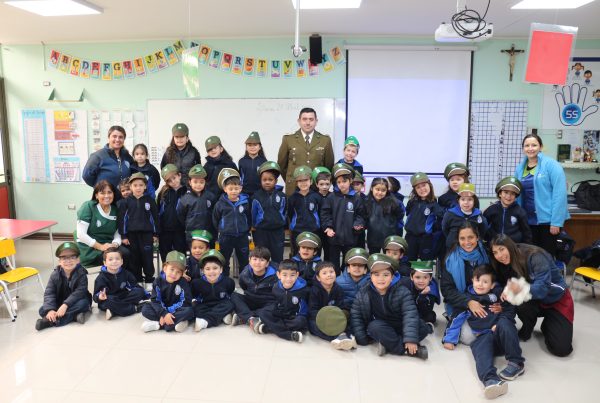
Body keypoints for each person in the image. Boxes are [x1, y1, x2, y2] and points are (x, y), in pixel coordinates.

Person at [442, 264, 525, 400]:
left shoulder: (499, 294)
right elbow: (456, 319)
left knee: (505, 324)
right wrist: (449, 339)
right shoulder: (467, 298)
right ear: (472, 280)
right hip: (483, 336)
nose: (480, 284)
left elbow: (510, 310)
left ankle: (516, 362)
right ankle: (491, 381)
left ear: (492, 285)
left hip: (501, 336)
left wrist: (499, 319)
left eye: (485, 282)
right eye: (477, 280)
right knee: (481, 352)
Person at [490, 234, 573, 357]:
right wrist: (502, 297)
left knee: (561, 350)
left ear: (510, 245)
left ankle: (548, 324)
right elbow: (500, 284)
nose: (499, 256)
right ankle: (528, 327)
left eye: (502, 249)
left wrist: (520, 288)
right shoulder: (502, 263)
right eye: (495, 252)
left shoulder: (535, 256)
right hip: (534, 301)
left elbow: (543, 288)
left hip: (556, 300)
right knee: (520, 303)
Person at [351, 253, 429, 359]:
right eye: (376, 275)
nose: (381, 279)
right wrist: (362, 338)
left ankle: (388, 345)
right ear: (370, 277)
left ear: (392, 277)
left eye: (386, 275)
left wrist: (410, 339)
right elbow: (356, 315)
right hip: (383, 326)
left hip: (401, 324)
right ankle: (407, 350)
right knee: (374, 327)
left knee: (423, 327)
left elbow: (410, 314)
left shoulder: (402, 291)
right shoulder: (364, 293)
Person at [515, 133, 569, 257]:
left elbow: (559, 194)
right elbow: (516, 192)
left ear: (541, 147)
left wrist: (556, 222)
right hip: (527, 221)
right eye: (527, 145)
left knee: (546, 257)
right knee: (530, 256)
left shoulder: (551, 165)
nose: (530, 148)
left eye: (534, 145)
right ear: (523, 148)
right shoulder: (520, 168)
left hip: (547, 222)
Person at [277, 107, 335, 196]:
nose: (308, 123)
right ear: (299, 121)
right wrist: (292, 179)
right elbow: (281, 165)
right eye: (304, 119)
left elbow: (329, 166)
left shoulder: (325, 140)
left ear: (316, 121)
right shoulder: (288, 139)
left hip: (316, 188)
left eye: (311, 119)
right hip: (294, 187)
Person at [320, 163, 366, 273]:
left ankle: (346, 278)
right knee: (333, 264)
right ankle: (335, 279)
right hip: (334, 238)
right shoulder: (331, 197)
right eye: (339, 182)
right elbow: (325, 214)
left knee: (348, 264)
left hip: (350, 238)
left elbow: (361, 215)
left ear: (350, 181)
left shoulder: (357, 199)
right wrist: (328, 227)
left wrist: (358, 224)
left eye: (344, 181)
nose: (341, 184)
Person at [35, 243, 92, 331]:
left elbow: (79, 292)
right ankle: (74, 316)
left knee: (83, 304)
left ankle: (51, 322)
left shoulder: (82, 273)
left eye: (72, 257)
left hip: (76, 301)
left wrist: (65, 305)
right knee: (43, 309)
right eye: (64, 258)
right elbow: (49, 293)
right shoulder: (55, 275)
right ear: (59, 262)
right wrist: (50, 310)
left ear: (78, 260)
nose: (68, 261)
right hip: (61, 302)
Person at [250, 259, 309, 343]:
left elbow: (304, 310)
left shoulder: (303, 290)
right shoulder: (276, 287)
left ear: (297, 275)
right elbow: (274, 303)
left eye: (292, 275)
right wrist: (275, 312)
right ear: (278, 275)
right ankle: (288, 333)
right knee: (263, 313)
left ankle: (269, 328)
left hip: (294, 316)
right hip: (280, 314)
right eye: (284, 275)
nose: (288, 279)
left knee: (300, 322)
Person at [117, 173, 159, 289]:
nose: (138, 188)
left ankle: (149, 280)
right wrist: (124, 236)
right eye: (135, 185)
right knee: (134, 259)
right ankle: (138, 280)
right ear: (131, 187)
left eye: (141, 185)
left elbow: (155, 218)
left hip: (147, 235)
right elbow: (122, 220)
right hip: (131, 236)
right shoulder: (125, 202)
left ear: (145, 186)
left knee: (147, 258)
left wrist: (155, 234)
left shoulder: (150, 200)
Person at [441, 222, 490, 320]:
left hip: (482, 299)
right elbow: (447, 289)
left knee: (489, 323)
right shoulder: (450, 259)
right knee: (465, 329)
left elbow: (494, 282)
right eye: (462, 238)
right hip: (458, 302)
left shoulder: (486, 255)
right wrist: (468, 302)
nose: (467, 242)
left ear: (477, 237)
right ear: (458, 240)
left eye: (470, 237)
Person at [75, 180, 128, 268]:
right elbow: (81, 235)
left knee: (126, 253)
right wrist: (101, 247)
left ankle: (122, 276)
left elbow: (117, 233)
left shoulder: (116, 210)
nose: (106, 196)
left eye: (109, 192)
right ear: (96, 195)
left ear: (113, 194)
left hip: (108, 246)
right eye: (102, 193)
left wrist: (115, 245)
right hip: (90, 248)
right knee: (113, 259)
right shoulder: (88, 206)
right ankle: (108, 276)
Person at [140, 250, 194, 333]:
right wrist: (164, 313)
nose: (174, 274)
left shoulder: (183, 282)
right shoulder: (158, 281)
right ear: (165, 268)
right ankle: (175, 322)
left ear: (182, 274)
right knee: (145, 309)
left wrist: (168, 312)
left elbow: (186, 301)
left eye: (178, 272)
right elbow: (155, 301)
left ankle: (159, 325)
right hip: (162, 309)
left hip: (177, 309)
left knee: (189, 311)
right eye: (172, 269)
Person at [308, 261, 356, 350]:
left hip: (334, 318)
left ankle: (347, 337)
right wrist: (325, 317)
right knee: (312, 326)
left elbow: (341, 306)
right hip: (321, 319)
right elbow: (312, 310)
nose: (329, 275)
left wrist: (339, 316)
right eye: (324, 273)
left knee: (348, 322)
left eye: (331, 272)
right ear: (318, 278)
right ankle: (337, 338)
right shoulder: (314, 290)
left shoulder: (338, 289)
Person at [212, 168, 251, 277]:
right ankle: (225, 279)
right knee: (224, 260)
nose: (234, 191)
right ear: (225, 189)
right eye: (231, 189)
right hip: (226, 237)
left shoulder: (245, 203)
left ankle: (244, 279)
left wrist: (245, 229)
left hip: (242, 236)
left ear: (240, 188)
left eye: (236, 188)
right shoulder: (220, 204)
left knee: (244, 260)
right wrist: (221, 229)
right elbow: (215, 219)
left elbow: (249, 217)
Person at [93, 247, 147, 320]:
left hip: (123, 295)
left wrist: (144, 294)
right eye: (110, 259)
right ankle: (135, 308)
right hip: (109, 298)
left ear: (122, 261)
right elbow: (95, 297)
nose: (114, 261)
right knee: (107, 301)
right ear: (105, 263)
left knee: (140, 291)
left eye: (117, 259)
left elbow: (135, 286)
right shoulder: (100, 278)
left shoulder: (126, 273)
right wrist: (99, 296)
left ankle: (114, 311)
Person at [231, 246, 278, 326]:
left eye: (262, 260)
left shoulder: (275, 275)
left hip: (267, 302)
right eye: (255, 259)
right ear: (249, 261)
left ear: (267, 263)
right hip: (251, 299)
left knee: (276, 306)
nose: (257, 262)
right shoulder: (245, 273)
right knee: (233, 296)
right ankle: (252, 318)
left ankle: (245, 317)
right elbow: (243, 286)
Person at [251, 161, 287, 264]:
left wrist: (284, 226)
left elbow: (285, 212)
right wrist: (253, 226)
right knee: (261, 257)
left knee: (278, 257)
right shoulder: (256, 196)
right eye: (264, 180)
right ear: (260, 180)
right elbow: (253, 213)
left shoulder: (282, 196)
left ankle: (277, 273)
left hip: (277, 232)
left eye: (270, 180)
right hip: (261, 232)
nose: (267, 182)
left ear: (276, 181)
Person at [191, 250, 236, 331]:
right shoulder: (196, 283)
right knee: (194, 308)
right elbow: (194, 296)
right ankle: (222, 316)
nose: (211, 271)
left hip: (221, 304)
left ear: (221, 269)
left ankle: (205, 322)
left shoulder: (228, 281)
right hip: (204, 305)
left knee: (230, 304)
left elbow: (230, 292)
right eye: (207, 269)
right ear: (203, 271)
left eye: (215, 268)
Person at [404, 172, 443, 261]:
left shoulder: (434, 204)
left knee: (425, 263)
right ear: (415, 190)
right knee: (408, 261)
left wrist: (433, 229)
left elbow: (442, 217)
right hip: (410, 237)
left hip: (425, 239)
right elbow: (408, 214)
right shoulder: (411, 202)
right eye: (418, 187)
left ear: (429, 185)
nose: (422, 189)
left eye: (424, 185)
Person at [83, 125, 133, 192]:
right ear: (109, 137)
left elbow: (134, 171)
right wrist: (99, 188)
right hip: (106, 196)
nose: (117, 139)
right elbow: (86, 176)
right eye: (114, 136)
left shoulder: (127, 156)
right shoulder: (97, 156)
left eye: (121, 137)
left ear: (124, 139)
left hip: (124, 196)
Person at [484, 177, 532, 244]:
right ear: (500, 194)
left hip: (514, 247)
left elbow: (526, 233)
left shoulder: (520, 212)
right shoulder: (491, 210)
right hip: (494, 246)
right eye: (506, 192)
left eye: (512, 193)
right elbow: (483, 227)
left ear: (515, 196)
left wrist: (524, 248)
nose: (509, 196)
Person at [177, 165, 216, 246]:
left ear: (205, 182)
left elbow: (215, 214)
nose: (198, 185)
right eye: (195, 182)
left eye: (201, 182)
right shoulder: (184, 199)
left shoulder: (210, 197)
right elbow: (181, 215)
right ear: (190, 182)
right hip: (192, 234)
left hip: (208, 233)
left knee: (208, 253)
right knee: (195, 252)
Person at [287, 166, 321, 258]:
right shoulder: (292, 198)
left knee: (314, 255)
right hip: (297, 231)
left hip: (314, 231)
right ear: (296, 183)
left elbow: (320, 213)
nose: (303, 183)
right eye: (300, 181)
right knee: (297, 255)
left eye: (305, 180)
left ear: (311, 181)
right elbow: (290, 214)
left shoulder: (316, 197)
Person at [442, 183, 487, 249]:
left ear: (474, 201)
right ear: (458, 200)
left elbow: (483, 229)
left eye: (470, 199)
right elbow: (445, 229)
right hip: (453, 248)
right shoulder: (450, 214)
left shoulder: (478, 214)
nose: (466, 202)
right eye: (463, 199)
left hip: (471, 248)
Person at [366, 177, 405, 253]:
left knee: (388, 259)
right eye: (377, 189)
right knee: (374, 257)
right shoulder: (367, 202)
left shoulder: (394, 203)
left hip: (389, 239)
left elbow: (400, 216)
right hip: (373, 239)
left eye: (383, 190)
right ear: (371, 188)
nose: (380, 193)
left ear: (387, 191)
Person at [157, 164, 187, 262]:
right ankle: (165, 271)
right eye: (169, 181)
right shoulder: (163, 192)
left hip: (181, 230)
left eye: (174, 178)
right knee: (165, 256)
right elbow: (158, 211)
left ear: (179, 175)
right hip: (165, 231)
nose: (173, 182)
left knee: (180, 255)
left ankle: (181, 271)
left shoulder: (187, 191)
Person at [408, 260, 440, 327]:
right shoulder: (405, 286)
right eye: (417, 277)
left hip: (421, 313)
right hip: (407, 312)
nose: (421, 281)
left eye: (425, 277)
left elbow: (426, 311)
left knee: (431, 316)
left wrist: (422, 295)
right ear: (411, 277)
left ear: (430, 278)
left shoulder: (431, 292)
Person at [238, 131, 267, 198]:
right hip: (244, 193)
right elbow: (240, 177)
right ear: (246, 147)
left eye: (255, 145)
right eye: (249, 145)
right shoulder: (241, 161)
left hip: (260, 192)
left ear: (260, 147)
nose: (252, 147)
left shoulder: (264, 161)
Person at [312, 166, 332, 261]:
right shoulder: (313, 197)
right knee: (316, 252)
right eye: (321, 184)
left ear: (330, 184)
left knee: (329, 252)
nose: (324, 187)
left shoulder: (333, 196)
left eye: (327, 184)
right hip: (317, 230)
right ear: (316, 184)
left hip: (329, 229)